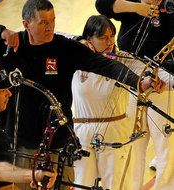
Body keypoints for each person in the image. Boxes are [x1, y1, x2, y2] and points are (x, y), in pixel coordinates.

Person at [0, 0, 164, 188]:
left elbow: (103, 64)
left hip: (57, 142)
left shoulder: (64, 48)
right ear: (26, 24)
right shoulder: (11, 44)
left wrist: (137, 81)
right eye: (43, 22)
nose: (50, 27)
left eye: (52, 20)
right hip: (21, 143)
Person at [96, 0, 174, 189]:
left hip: (161, 83)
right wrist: (137, 8)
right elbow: (102, 4)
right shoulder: (131, 6)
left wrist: (164, 73)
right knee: (132, 143)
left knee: (165, 144)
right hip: (132, 82)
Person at [61, 15, 139, 189]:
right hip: (82, 134)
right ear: (89, 39)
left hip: (115, 131)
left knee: (117, 185)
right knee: (82, 185)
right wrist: (78, 41)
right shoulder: (75, 56)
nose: (110, 42)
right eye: (103, 37)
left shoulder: (123, 59)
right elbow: (55, 36)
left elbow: (147, 70)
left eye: (112, 36)